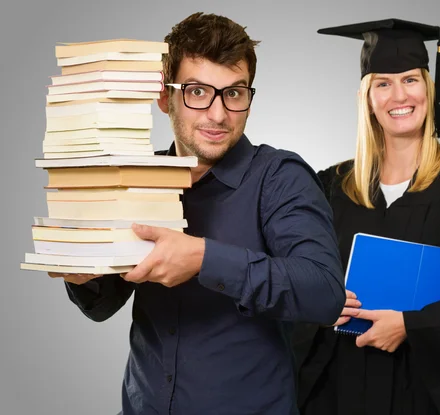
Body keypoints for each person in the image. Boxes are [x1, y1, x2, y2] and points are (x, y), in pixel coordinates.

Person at [48, 12, 346, 415]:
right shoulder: (138, 177)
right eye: (198, 92)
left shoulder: (280, 177)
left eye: (234, 93)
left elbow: (324, 293)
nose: (218, 114)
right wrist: (83, 276)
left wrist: (205, 259)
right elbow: (103, 306)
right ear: (164, 96)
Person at [293, 18, 440, 415]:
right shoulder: (331, 188)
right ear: (367, 98)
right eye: (382, 83)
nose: (398, 95)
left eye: (410, 80)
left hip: (427, 400)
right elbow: (296, 286)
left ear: (428, 88)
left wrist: (411, 326)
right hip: (342, 393)